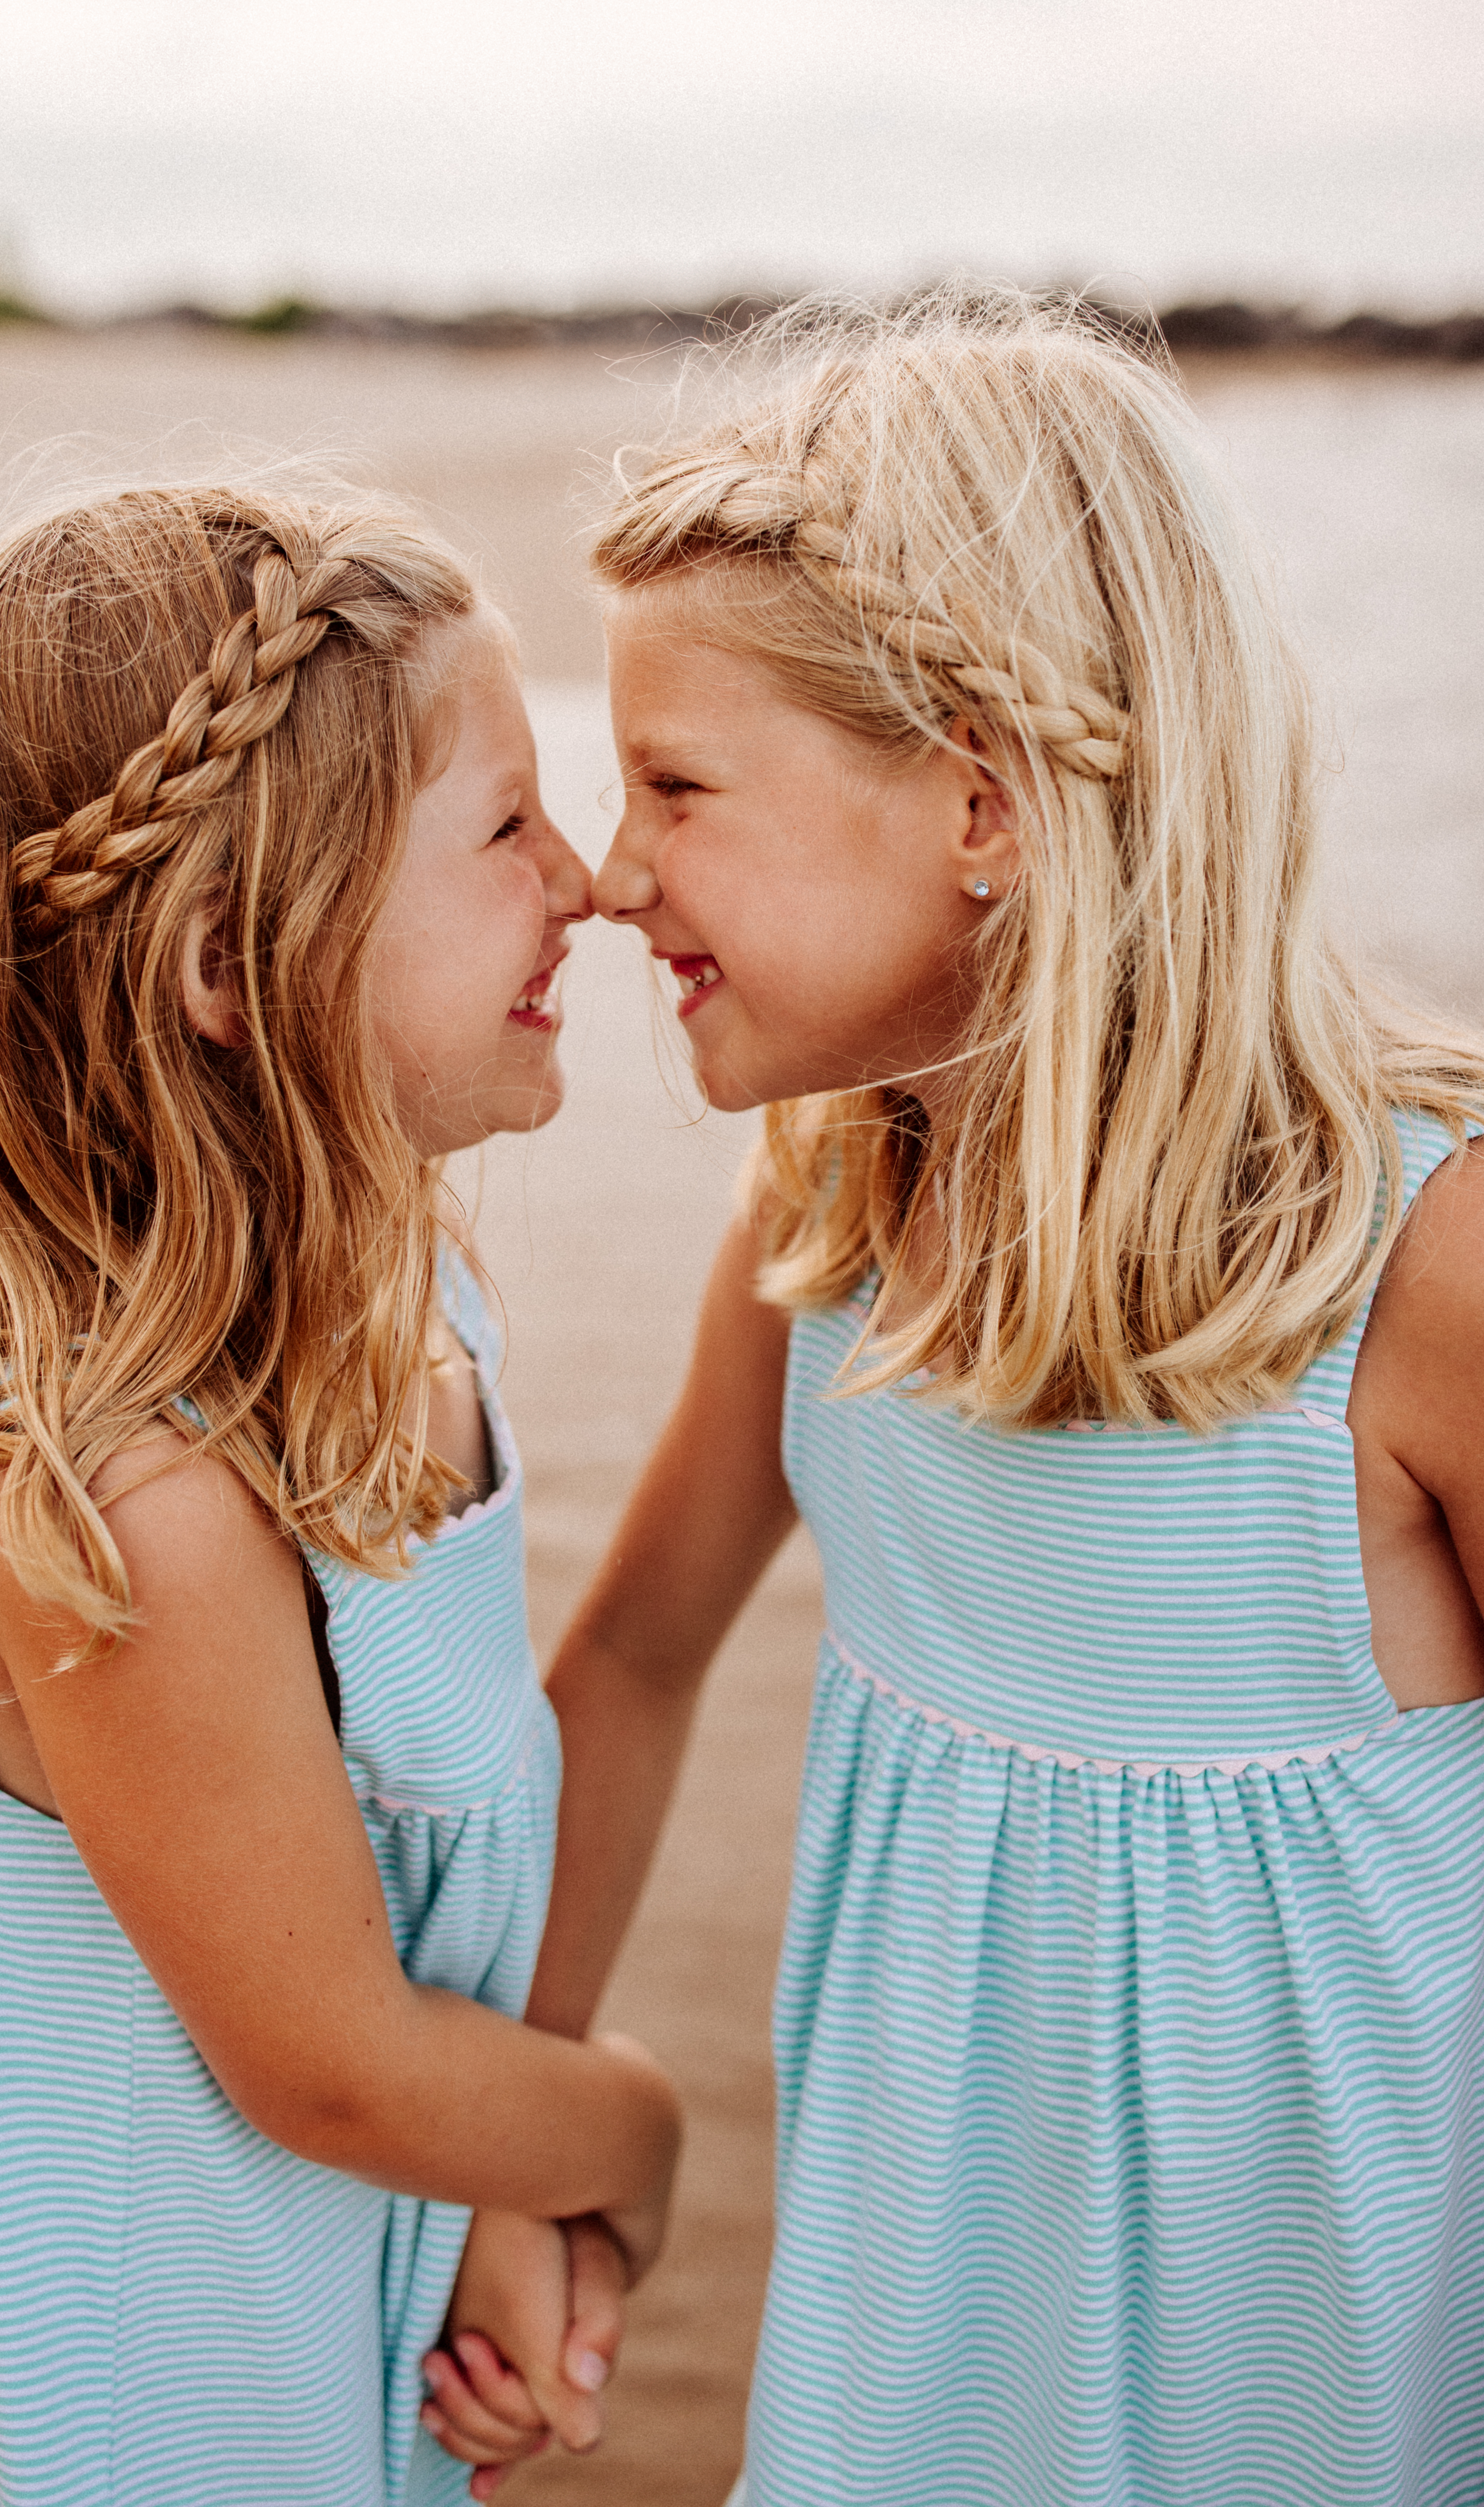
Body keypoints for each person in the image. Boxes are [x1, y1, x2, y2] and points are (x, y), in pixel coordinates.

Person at [424, 289, 1484, 2503]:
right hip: (917, 2330)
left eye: (682, 787)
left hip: (1307, 2374)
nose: (616, 876)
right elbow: (625, 1660)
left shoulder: (1421, 1276)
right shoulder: (829, 1209)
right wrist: (508, 2154)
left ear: (981, 806)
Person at [0, 485, 681, 2507]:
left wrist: (485, 2204)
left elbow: (387, 1954)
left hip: (325, 2280)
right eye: (505, 830)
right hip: (123, 2387)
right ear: (225, 963)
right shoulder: (130, 1510)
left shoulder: (400, 1305)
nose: (593, 882)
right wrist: (618, 2142)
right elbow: (335, 2056)